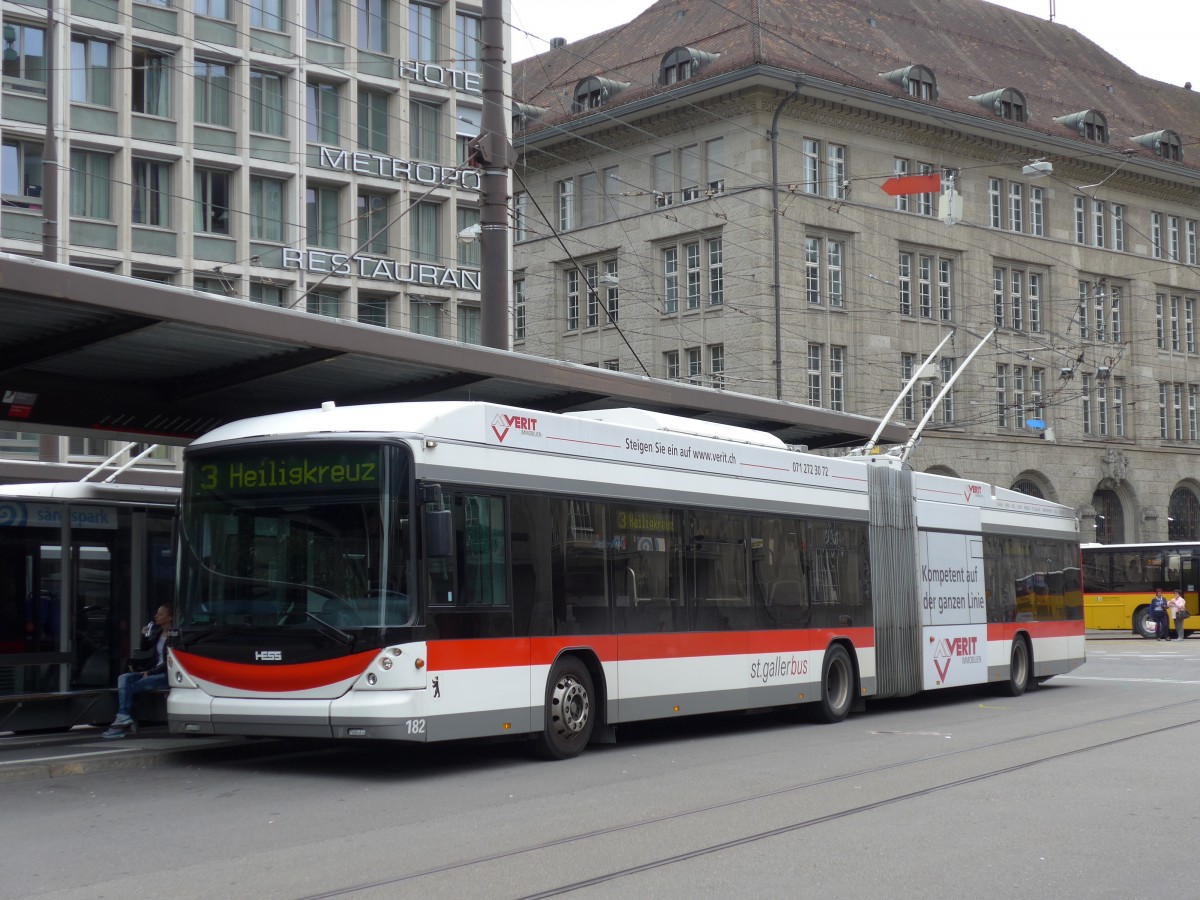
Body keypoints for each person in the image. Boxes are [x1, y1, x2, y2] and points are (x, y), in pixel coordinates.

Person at [102, 604, 172, 739]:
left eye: (160, 614)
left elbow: (171, 661)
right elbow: (144, 648)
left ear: (169, 618)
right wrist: (146, 634)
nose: (156, 616)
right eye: (157, 614)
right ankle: (124, 717)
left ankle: (123, 718)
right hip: (152, 672)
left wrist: (151, 672)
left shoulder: (175, 635)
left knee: (130, 688)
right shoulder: (158, 633)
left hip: (165, 675)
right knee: (124, 678)